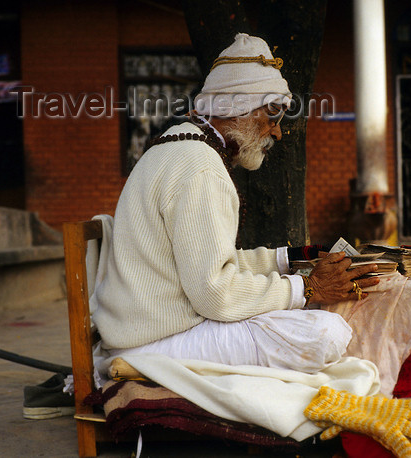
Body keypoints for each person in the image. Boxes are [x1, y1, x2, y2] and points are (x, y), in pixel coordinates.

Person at [91, 33, 380, 374]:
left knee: (303, 313)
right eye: (271, 116)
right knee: (326, 332)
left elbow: (207, 265)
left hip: (147, 330)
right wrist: (308, 287)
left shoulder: (183, 145)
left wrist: (287, 260)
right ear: (236, 108)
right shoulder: (200, 167)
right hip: (154, 342)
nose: (276, 132)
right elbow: (215, 293)